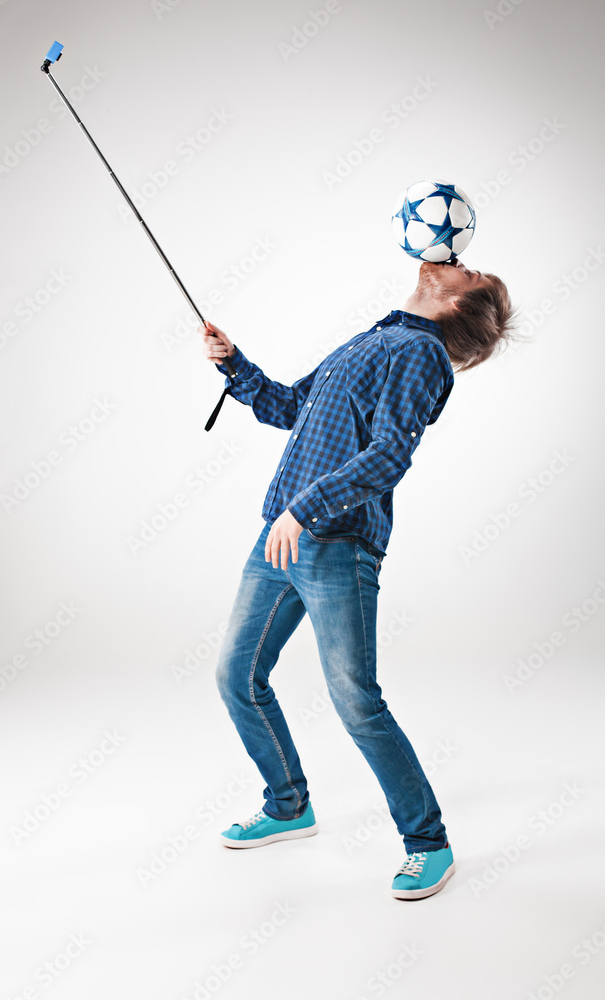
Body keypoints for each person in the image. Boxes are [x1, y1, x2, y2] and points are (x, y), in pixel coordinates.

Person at [200, 258, 516, 900]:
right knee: (237, 676)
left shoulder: (421, 353)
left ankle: (429, 844)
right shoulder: (377, 337)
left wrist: (306, 508)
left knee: (355, 700)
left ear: (459, 303)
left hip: (336, 544)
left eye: (471, 272)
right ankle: (288, 806)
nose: (459, 261)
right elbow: (292, 406)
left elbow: (391, 454)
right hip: (281, 535)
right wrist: (234, 364)